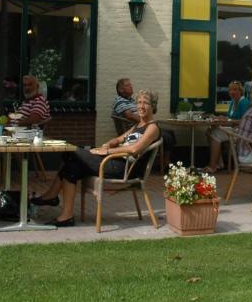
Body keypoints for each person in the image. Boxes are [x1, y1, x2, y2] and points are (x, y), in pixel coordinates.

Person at [33, 89, 161, 227]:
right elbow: (118, 139)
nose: (141, 106)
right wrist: (110, 143)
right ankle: (66, 216)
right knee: (72, 166)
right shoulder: (138, 126)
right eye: (139, 102)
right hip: (114, 161)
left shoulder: (152, 128)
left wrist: (107, 151)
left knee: (71, 151)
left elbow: (134, 149)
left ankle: (51, 196)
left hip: (124, 168)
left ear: (153, 106)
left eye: (145, 103)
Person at [206, 80, 252, 172]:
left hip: (241, 132)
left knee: (215, 133)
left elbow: (244, 121)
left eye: (235, 90)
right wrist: (222, 118)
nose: (232, 92)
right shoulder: (233, 102)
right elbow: (231, 117)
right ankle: (219, 163)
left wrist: (228, 120)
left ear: (240, 91)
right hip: (233, 129)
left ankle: (213, 166)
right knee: (209, 131)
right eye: (230, 90)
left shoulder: (244, 102)